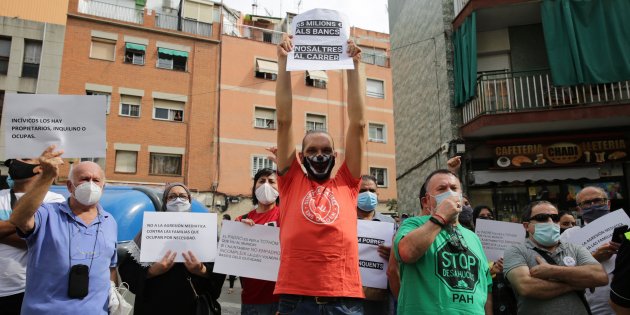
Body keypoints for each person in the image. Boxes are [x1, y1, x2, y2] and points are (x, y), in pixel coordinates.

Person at [273, 33, 365, 314]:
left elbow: (358, 124)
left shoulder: (348, 182)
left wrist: (354, 67)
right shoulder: (291, 180)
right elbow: (284, 120)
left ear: (336, 156)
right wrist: (283, 63)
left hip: (343, 299)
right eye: (312, 151)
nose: (319, 155)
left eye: (326, 149)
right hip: (295, 299)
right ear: (300, 157)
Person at [9, 146, 118, 314]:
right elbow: (18, 219)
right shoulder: (47, 213)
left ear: (103, 187)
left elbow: (110, 266)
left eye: (96, 180)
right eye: (84, 179)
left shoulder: (109, 221)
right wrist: (46, 177)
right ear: (70, 186)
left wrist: (114, 296)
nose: (90, 184)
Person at [394, 169, 492, 315]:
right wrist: (440, 217)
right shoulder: (413, 225)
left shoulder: (473, 237)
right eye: (441, 189)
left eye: (453, 189)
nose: (450, 194)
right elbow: (407, 252)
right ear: (426, 201)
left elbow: (484, 287)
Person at [118, 183, 226, 314]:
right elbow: (128, 270)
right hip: (154, 306)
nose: (178, 200)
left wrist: (201, 270)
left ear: (189, 201)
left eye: (183, 196)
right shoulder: (149, 230)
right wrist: (152, 271)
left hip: (192, 307)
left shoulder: (205, 231)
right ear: (165, 202)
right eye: (172, 197)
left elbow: (219, 269)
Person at [503, 200, 609, 315]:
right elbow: (527, 287)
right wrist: (577, 283)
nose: (550, 222)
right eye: (541, 217)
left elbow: (600, 276)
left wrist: (552, 271)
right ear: (526, 226)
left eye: (555, 218)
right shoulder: (516, 251)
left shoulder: (575, 248)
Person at [0, 158, 65, 315]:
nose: (16, 163)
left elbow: (45, 241)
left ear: (39, 168)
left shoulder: (55, 200)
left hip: (28, 291)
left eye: (25, 158)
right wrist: (25, 226)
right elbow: (33, 235)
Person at [566, 186, 621, 315]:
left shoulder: (625, 226)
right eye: (586, 203)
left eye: (597, 200)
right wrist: (594, 257)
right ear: (579, 209)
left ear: (608, 203)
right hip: (593, 301)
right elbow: (563, 268)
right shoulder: (570, 235)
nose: (593, 205)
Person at [235, 167, 281, 314]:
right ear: (254, 187)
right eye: (261, 181)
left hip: (283, 299)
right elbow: (232, 261)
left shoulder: (287, 216)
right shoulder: (240, 221)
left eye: (272, 181)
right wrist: (236, 232)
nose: (266, 185)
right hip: (252, 299)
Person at [356, 175, 395, 315]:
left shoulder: (389, 223)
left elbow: (400, 253)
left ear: (377, 194)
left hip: (381, 296)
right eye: (362, 191)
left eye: (372, 190)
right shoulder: (346, 220)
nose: (368, 194)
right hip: (351, 294)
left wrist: (393, 254)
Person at [222, 214, 238, 295]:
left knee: (232, 271)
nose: (222, 220)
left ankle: (231, 288)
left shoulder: (232, 228)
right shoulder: (223, 229)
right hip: (225, 252)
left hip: (233, 253)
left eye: (224, 219)